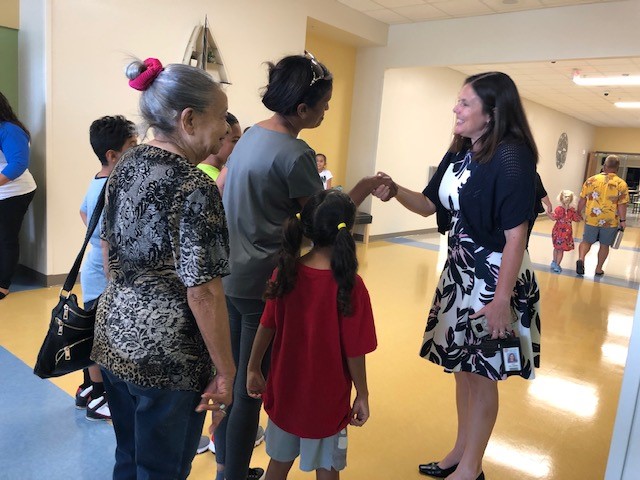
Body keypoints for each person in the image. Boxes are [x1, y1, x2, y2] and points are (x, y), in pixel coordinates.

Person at [219, 51, 393, 480]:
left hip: (231, 276)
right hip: (266, 282)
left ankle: (228, 464)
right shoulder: (295, 154)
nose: (327, 110)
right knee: (249, 390)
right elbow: (324, 220)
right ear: (302, 109)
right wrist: (363, 189)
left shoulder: (250, 138)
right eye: (324, 104)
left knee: (238, 382)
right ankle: (232, 473)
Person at [374, 72, 541, 480]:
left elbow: (516, 236)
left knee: (483, 376)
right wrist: (395, 190)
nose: (456, 108)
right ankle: (459, 452)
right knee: (463, 371)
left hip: (493, 279)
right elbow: (431, 205)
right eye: (458, 101)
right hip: (460, 275)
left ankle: (471, 469)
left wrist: (501, 301)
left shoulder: (512, 156)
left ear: (493, 112)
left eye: (465, 103)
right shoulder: (463, 150)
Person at [91, 57, 236, 479]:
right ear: (189, 120)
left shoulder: (124, 166)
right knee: (163, 469)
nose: (226, 129)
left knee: (129, 457)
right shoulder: (194, 186)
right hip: (169, 358)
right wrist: (224, 372)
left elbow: (107, 245)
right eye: (221, 117)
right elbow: (203, 292)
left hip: (114, 336)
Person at [246, 189, 376, 480]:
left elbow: (266, 325)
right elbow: (355, 350)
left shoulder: (286, 273)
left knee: (277, 465)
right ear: (348, 229)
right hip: (328, 401)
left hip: (285, 391)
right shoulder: (350, 285)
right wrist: (363, 394)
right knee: (328, 468)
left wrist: (253, 367)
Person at [75, 115, 137, 421]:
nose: (137, 151)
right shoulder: (115, 186)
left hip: (92, 272)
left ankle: (89, 388)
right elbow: (107, 242)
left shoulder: (96, 179)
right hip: (104, 276)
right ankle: (100, 398)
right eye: (132, 146)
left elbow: (83, 213)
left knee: (92, 335)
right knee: (102, 342)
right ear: (113, 156)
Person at [0, 92, 37, 300]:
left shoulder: (9, 130)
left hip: (14, 192)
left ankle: (3, 285)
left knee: (6, 237)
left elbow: (18, 164)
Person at [576, 154, 629, 276]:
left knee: (586, 241)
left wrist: (578, 212)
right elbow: (622, 204)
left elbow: (582, 199)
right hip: (610, 220)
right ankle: (598, 269)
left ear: (604, 166)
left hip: (592, 218)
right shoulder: (621, 184)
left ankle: (581, 259)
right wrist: (623, 220)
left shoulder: (591, 180)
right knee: (604, 245)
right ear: (617, 168)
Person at [198, 112, 241, 183]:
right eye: (235, 141)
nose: (239, 146)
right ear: (219, 138)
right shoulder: (215, 181)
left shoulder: (223, 173)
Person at [550, 190, 582, 273]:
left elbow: (554, 218)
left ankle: (554, 262)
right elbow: (577, 219)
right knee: (561, 250)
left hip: (557, 231)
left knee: (556, 248)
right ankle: (557, 265)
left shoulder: (558, 209)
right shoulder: (572, 211)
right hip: (566, 234)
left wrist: (548, 213)